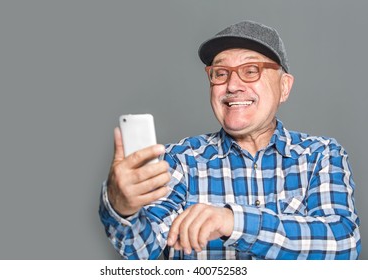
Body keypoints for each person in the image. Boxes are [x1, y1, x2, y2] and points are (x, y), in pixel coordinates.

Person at [99, 20, 361, 259]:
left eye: (250, 70)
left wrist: (234, 221)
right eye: (221, 73)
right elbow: (143, 252)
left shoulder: (321, 155)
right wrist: (123, 208)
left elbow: (343, 246)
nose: (232, 85)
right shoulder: (179, 161)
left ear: (284, 87)